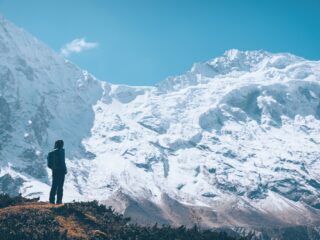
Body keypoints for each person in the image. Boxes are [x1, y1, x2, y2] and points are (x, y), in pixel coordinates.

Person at [48, 140, 67, 204]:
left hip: (55, 171)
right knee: (60, 187)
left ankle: (51, 201)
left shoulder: (51, 153)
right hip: (61, 171)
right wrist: (64, 170)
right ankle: (59, 201)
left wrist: (53, 168)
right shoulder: (62, 151)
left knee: (54, 186)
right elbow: (62, 162)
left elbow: (49, 165)